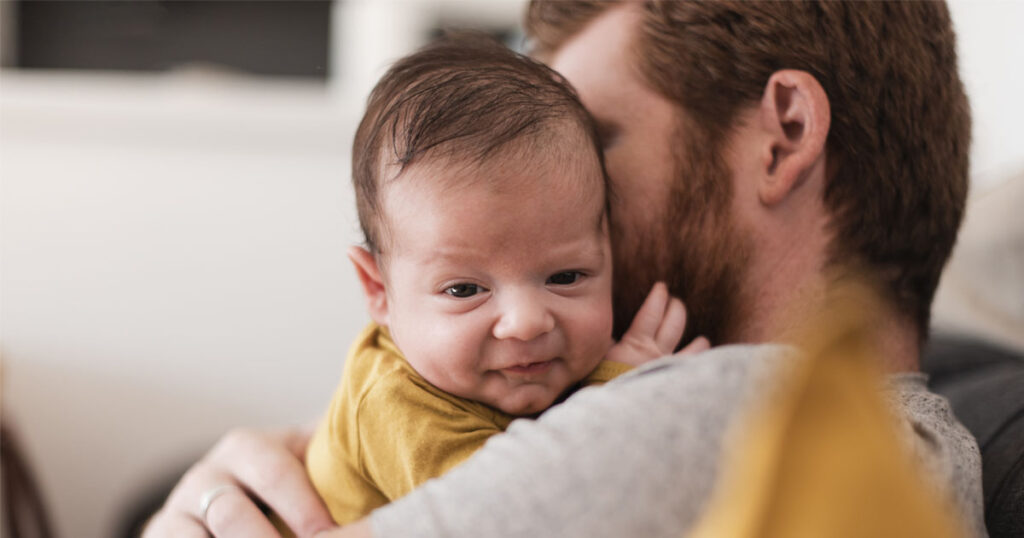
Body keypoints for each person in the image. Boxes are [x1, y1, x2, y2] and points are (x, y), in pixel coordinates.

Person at [143, 2, 986, 537]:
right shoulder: (918, 445)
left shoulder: (729, 409)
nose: (544, 198)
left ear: (785, 134)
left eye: (595, 143)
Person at [306, 34, 701, 524]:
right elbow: (521, 513)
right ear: (379, 292)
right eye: (465, 290)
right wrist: (615, 395)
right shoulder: (395, 405)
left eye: (565, 276)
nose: (526, 323)